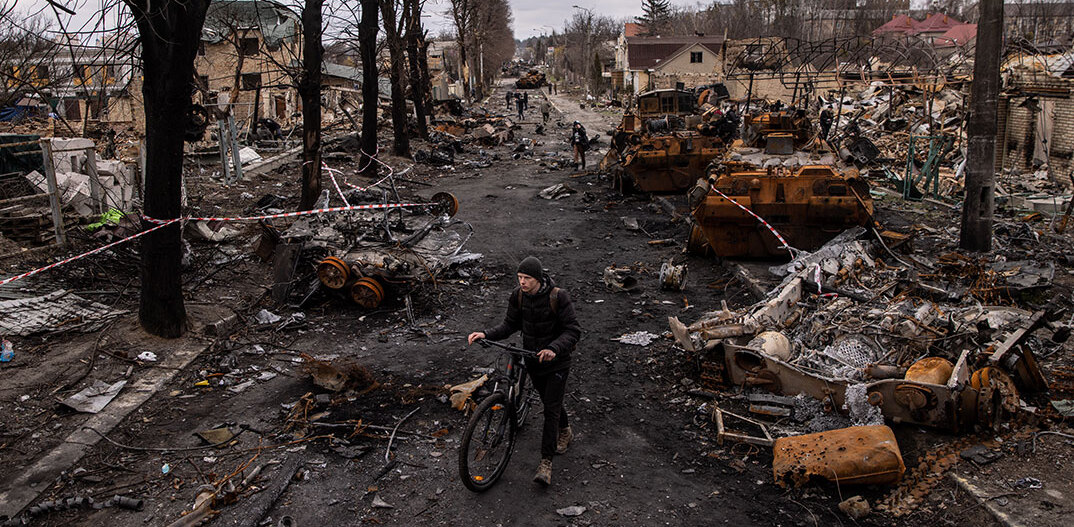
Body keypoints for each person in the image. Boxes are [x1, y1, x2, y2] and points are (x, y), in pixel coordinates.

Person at [468, 256, 581, 486]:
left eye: (527, 278)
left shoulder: (558, 297)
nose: (522, 282)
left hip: (557, 363)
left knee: (550, 409)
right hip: (533, 360)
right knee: (550, 400)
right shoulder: (518, 296)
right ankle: (566, 430)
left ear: (538, 278)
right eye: (519, 277)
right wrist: (486, 334)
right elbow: (509, 325)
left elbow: (573, 331)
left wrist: (553, 348)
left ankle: (546, 463)